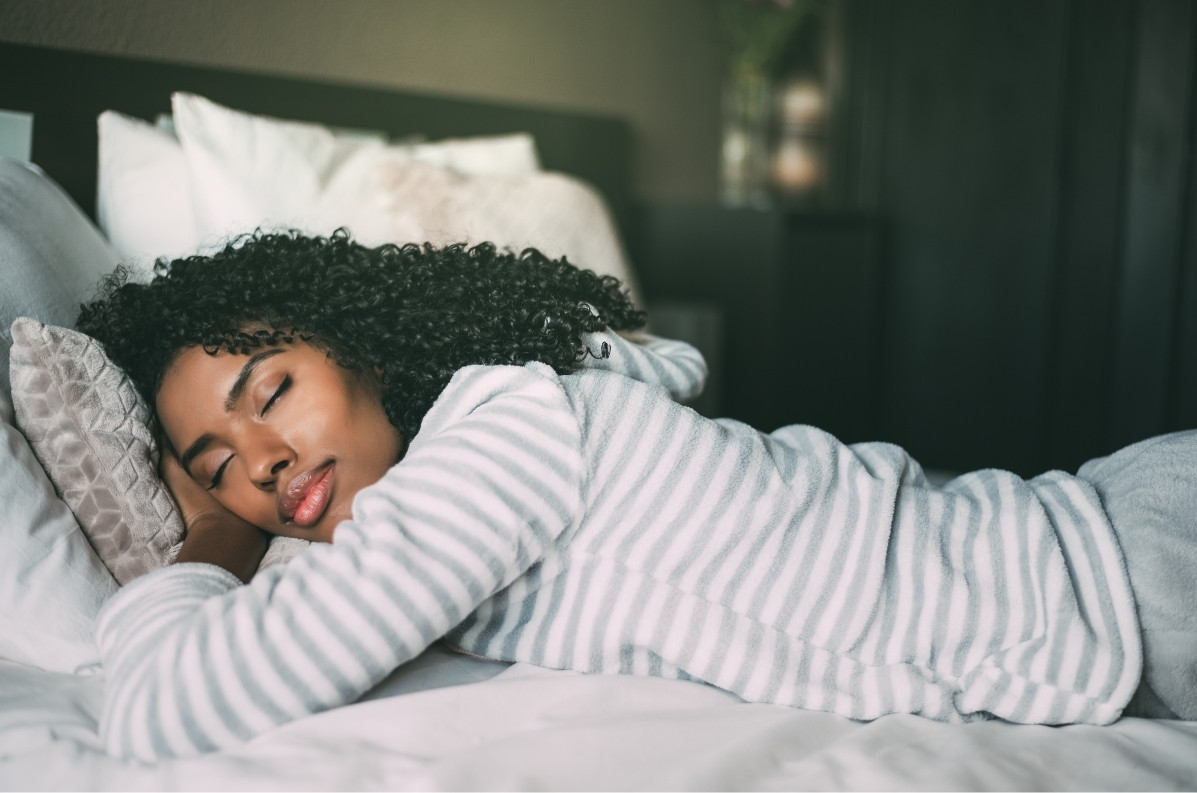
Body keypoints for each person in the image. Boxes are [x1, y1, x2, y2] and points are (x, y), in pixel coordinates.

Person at [77, 230, 1195, 762]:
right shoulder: (515, 423)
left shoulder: (495, 446)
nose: (263, 458)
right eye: (215, 461)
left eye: (270, 389)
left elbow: (159, 707)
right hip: (1115, 545)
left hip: (1128, 576)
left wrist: (214, 529)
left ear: (359, 348)